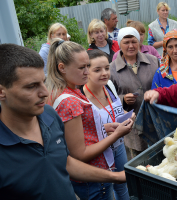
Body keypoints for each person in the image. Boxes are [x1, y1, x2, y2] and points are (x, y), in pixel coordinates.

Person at [0, 43, 128, 200]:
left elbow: (66, 162)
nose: (44, 92)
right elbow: (79, 154)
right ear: (2, 92)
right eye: (31, 86)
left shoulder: (49, 115)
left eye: (43, 82)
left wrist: (117, 176)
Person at [45, 39, 133, 200]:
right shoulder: (69, 101)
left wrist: (104, 127)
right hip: (93, 179)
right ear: (62, 68)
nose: (87, 71)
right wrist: (116, 135)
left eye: (87, 66)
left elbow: (74, 132)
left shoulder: (64, 90)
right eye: (81, 67)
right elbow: (80, 154)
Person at [82, 50, 131, 200]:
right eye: (97, 70)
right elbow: (82, 133)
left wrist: (128, 116)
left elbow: (116, 109)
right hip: (100, 154)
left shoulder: (109, 85)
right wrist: (108, 131)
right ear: (86, 71)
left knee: (123, 185)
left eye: (106, 68)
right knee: (107, 192)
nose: (104, 73)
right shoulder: (82, 98)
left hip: (119, 145)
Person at [111, 27, 160, 158]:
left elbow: (162, 84)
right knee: (140, 161)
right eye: (126, 42)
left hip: (155, 120)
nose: (131, 46)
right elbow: (107, 97)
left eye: (134, 41)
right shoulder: (112, 69)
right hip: (131, 126)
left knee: (160, 155)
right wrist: (122, 99)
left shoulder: (153, 61)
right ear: (119, 44)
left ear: (139, 42)